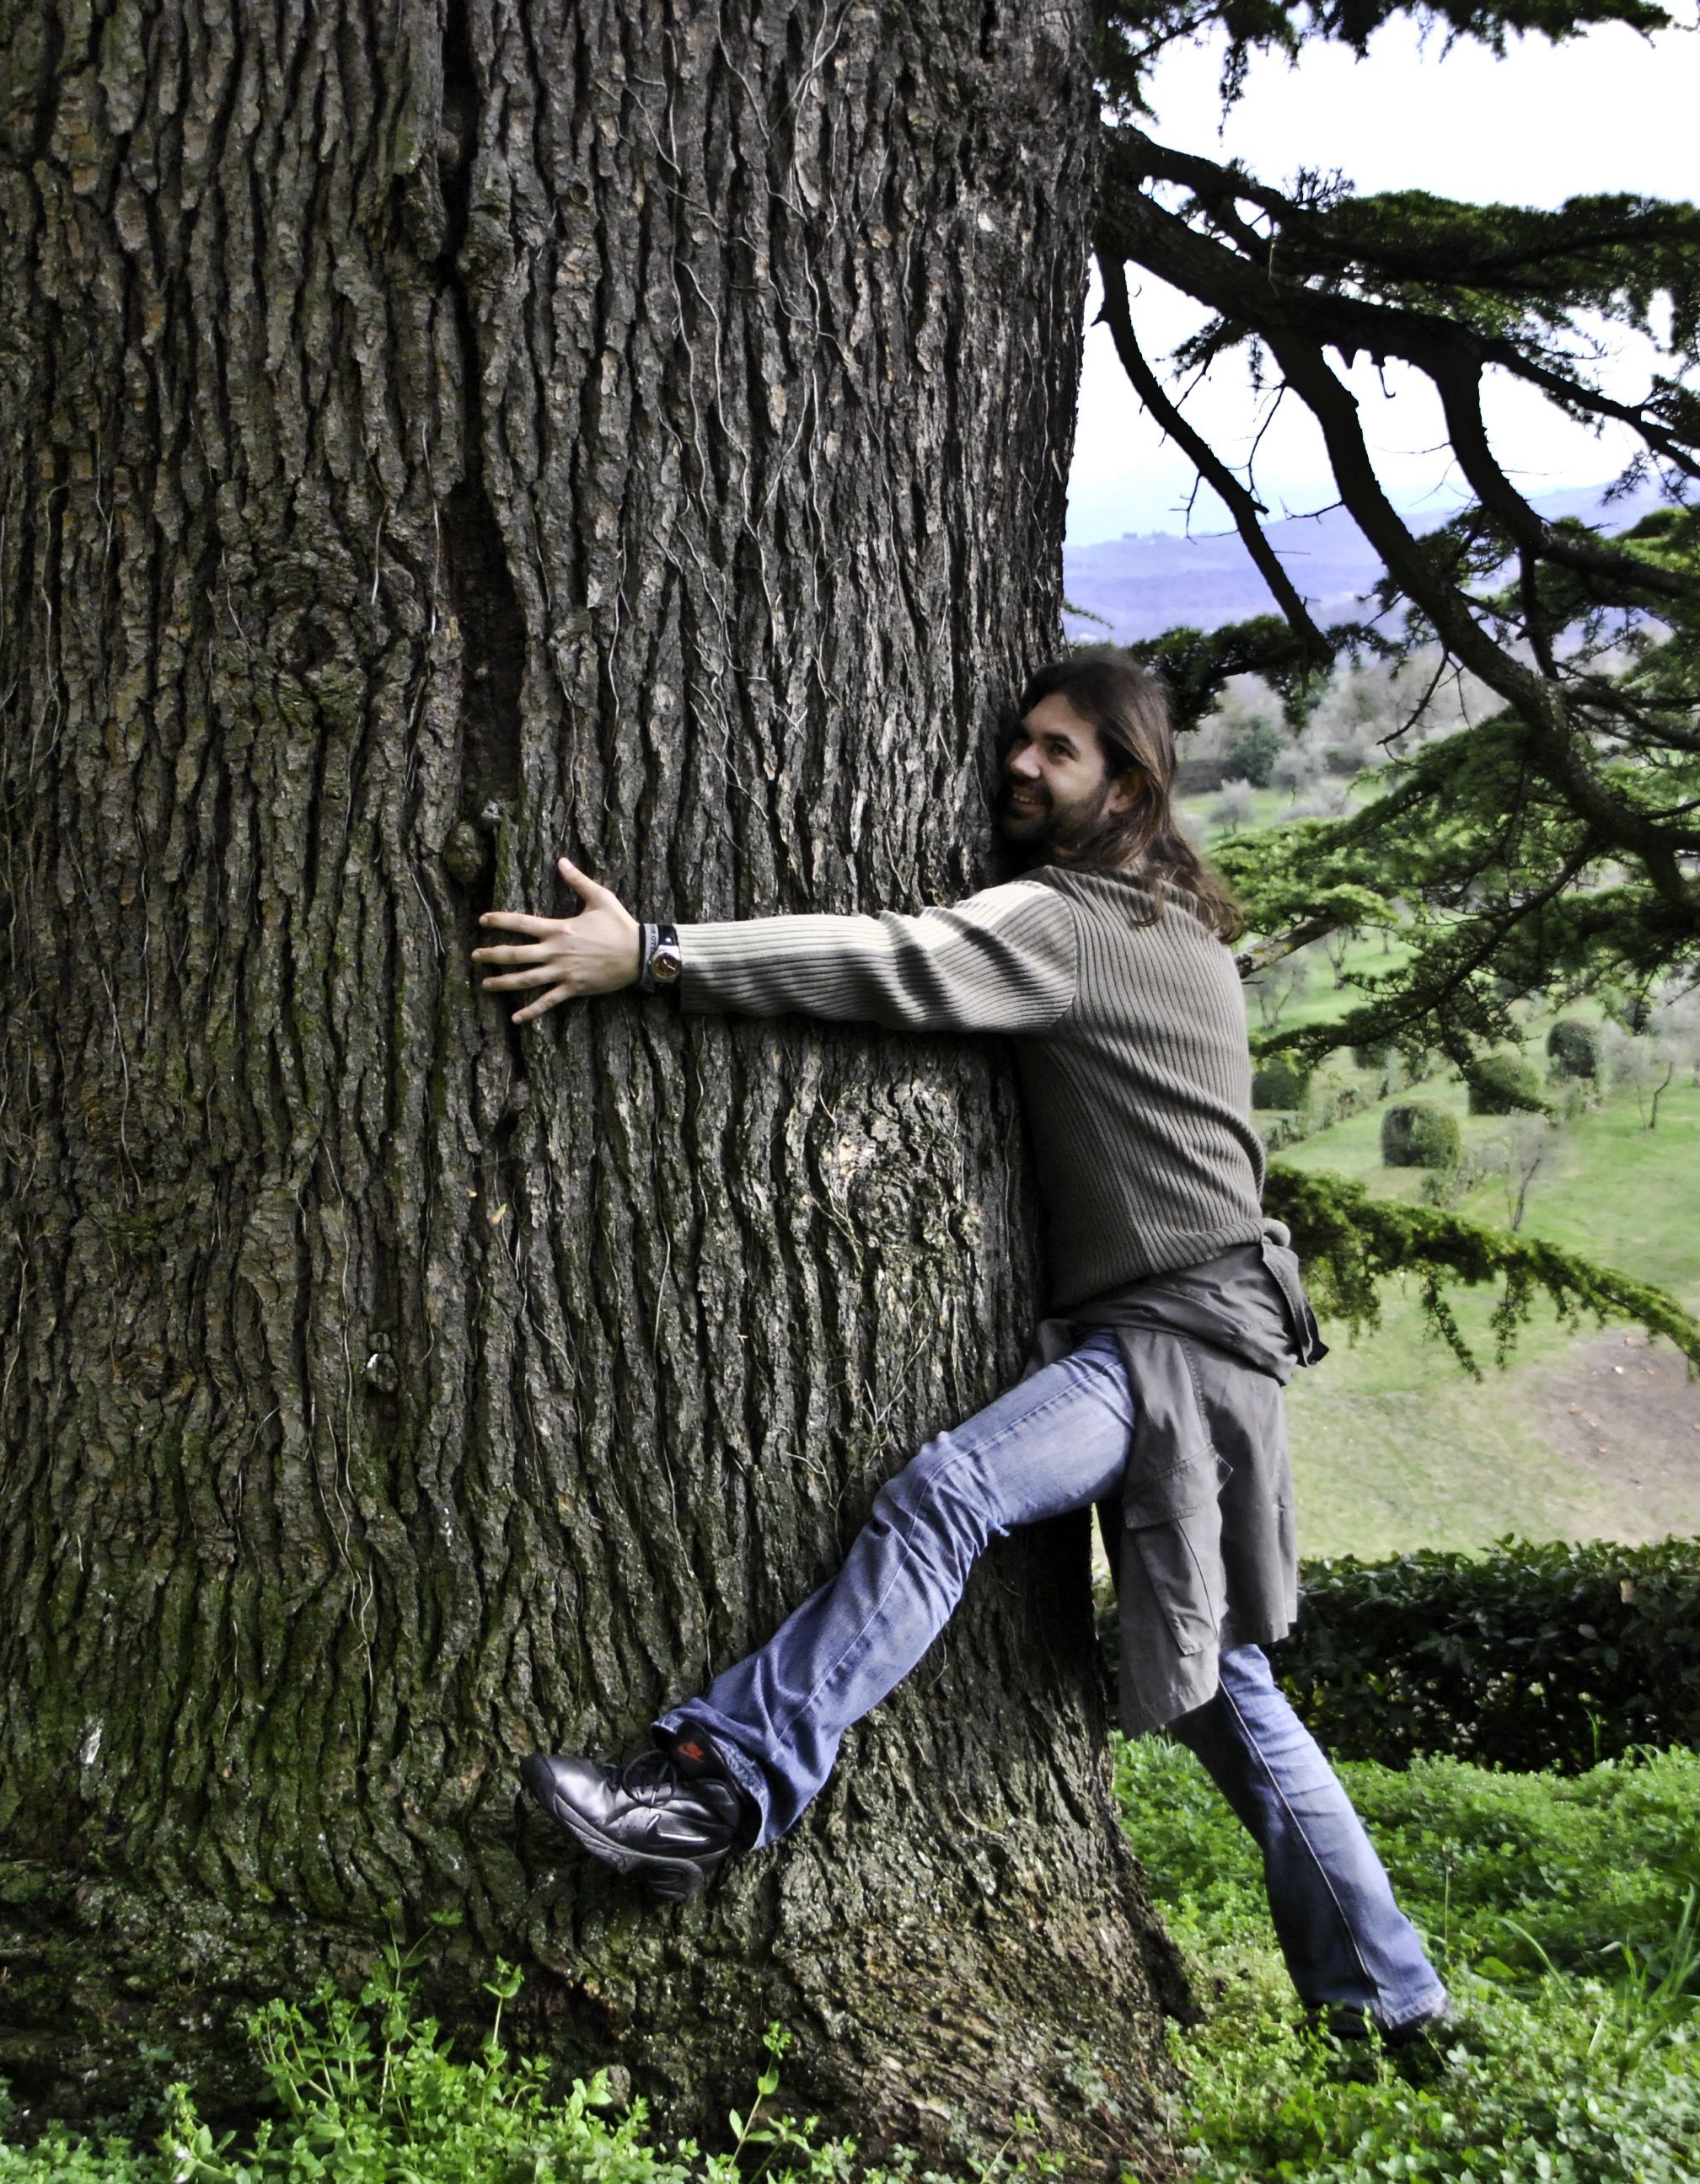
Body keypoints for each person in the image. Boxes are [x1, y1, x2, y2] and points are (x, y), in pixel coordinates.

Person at [469, 648, 1450, 2050]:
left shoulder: (1076, 925)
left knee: (952, 1491)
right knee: (1231, 1690)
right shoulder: (1181, 929)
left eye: (1059, 750)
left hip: (1173, 1348)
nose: (1021, 767)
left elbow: (907, 959)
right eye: (1022, 743)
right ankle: (1392, 2004)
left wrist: (660, 955)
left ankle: (718, 1788)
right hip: (1211, 1335)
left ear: (1129, 779)